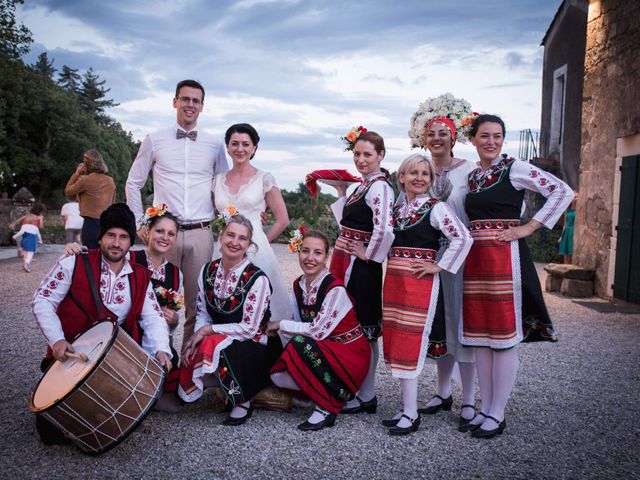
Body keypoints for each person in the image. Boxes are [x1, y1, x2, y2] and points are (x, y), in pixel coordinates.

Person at [460, 114, 573, 438]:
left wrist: (529, 226)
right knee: (480, 337)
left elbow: (562, 191)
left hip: (504, 259)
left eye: (497, 136)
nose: (491, 141)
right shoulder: (473, 176)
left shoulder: (516, 167)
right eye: (484, 136)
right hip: (476, 261)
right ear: (474, 139)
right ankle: (484, 407)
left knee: (504, 337)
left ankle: (498, 412)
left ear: (503, 139)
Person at [31, 203, 172, 444]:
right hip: (71, 357)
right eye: (111, 235)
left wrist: (161, 349)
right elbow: (42, 300)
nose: (116, 243)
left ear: (131, 242)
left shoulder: (140, 275)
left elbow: (153, 317)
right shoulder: (73, 263)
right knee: (51, 434)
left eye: (123, 237)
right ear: (101, 236)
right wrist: (57, 339)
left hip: (115, 360)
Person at [126, 79, 229, 343]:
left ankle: (188, 371)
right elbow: (133, 182)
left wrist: (247, 214)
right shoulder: (154, 139)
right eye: (185, 99)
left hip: (201, 233)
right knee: (157, 300)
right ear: (175, 102)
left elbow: (225, 188)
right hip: (163, 234)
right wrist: (140, 222)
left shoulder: (214, 144)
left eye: (195, 101)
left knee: (198, 305)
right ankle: (158, 358)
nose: (190, 105)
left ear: (202, 107)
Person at [381, 155, 473, 435]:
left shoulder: (437, 208)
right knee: (398, 341)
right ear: (402, 178)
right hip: (394, 282)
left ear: (431, 180)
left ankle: (411, 413)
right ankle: (407, 407)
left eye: (425, 174)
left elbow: (463, 237)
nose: (420, 178)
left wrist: (439, 265)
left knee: (410, 342)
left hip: (420, 284)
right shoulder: (396, 210)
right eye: (413, 173)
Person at [178, 214, 281, 425]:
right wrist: (198, 335)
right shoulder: (207, 271)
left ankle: (243, 400)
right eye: (230, 235)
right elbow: (203, 313)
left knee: (221, 346)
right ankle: (208, 384)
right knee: (199, 344)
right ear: (220, 237)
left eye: (242, 238)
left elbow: (250, 328)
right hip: (221, 336)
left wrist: (207, 332)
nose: (235, 242)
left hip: (254, 344)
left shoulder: (257, 278)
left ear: (249, 244)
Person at [412, 114, 479, 424]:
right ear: (424, 138)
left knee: (461, 325)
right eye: (432, 133)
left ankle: (468, 400)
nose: (437, 138)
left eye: (443, 133)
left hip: (462, 254)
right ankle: (442, 392)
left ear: (454, 138)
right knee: (440, 325)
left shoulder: (470, 169)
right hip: (429, 257)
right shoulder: (421, 170)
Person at [269, 230, 371, 431]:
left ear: (326, 257)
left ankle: (326, 406)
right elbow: (297, 322)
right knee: (277, 375)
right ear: (298, 252)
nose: (310, 258)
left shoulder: (335, 289)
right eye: (305, 251)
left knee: (299, 344)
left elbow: (316, 332)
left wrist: (278, 324)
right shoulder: (299, 285)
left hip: (349, 354)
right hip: (322, 350)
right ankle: (321, 395)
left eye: (317, 253)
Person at [329, 130, 395, 414]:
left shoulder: (380, 187)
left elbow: (384, 228)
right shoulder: (362, 186)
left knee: (367, 329)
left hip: (362, 267)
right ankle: (356, 387)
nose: (361, 159)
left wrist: (368, 254)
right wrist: (342, 194)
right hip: (348, 260)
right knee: (352, 324)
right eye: (357, 154)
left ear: (381, 155)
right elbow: (347, 222)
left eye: (368, 154)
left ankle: (367, 394)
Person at [212, 123, 291, 320]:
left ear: (254, 148)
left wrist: (261, 240)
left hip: (256, 251)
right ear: (228, 147)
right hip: (224, 249)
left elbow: (283, 220)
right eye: (235, 143)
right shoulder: (216, 180)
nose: (240, 149)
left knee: (259, 305)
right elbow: (215, 214)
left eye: (246, 144)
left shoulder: (264, 178)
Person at [64, 149, 116, 249]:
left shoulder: (85, 180)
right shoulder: (110, 180)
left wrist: (76, 173)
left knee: (91, 254)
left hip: (91, 223)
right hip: (107, 222)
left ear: (86, 164)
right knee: (105, 254)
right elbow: (113, 202)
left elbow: (68, 191)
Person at [11, 202, 45, 271]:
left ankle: (23, 257)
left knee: (25, 248)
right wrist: (41, 219)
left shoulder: (27, 215)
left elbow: (18, 220)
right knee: (30, 250)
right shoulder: (38, 217)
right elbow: (41, 226)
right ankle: (26, 263)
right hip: (32, 234)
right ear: (40, 211)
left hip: (23, 233)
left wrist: (13, 224)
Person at [558, 192, 578, 264]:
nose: (575, 199)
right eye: (574, 197)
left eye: (577, 197)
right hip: (566, 232)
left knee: (572, 254)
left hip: (573, 232)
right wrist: (561, 237)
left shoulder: (578, 211)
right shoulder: (566, 210)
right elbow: (564, 224)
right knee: (565, 255)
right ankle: (564, 272)